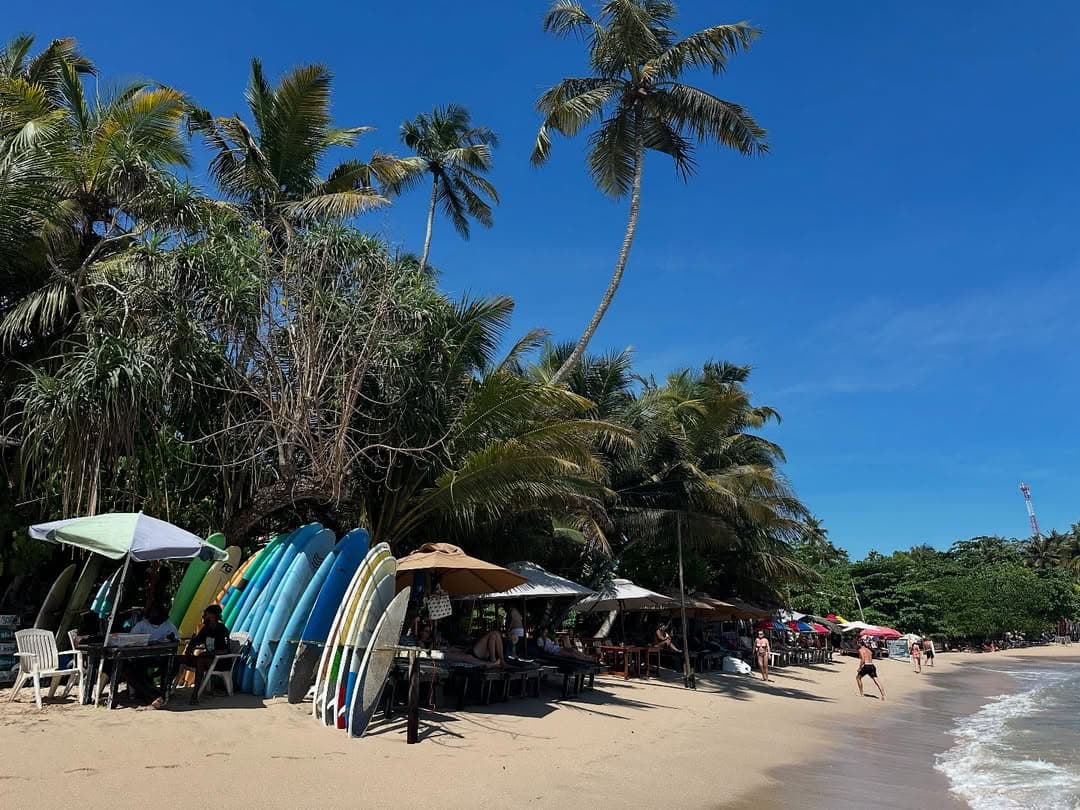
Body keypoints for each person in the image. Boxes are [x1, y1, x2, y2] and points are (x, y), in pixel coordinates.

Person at [176, 604, 231, 705]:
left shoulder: (222, 630)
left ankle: (195, 695)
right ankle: (166, 690)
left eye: (205, 615)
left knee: (200, 661)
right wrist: (189, 649)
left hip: (220, 662)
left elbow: (226, 650)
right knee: (178, 659)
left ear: (213, 616)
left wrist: (209, 653)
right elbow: (196, 641)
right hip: (207, 659)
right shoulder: (206, 629)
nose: (203, 617)